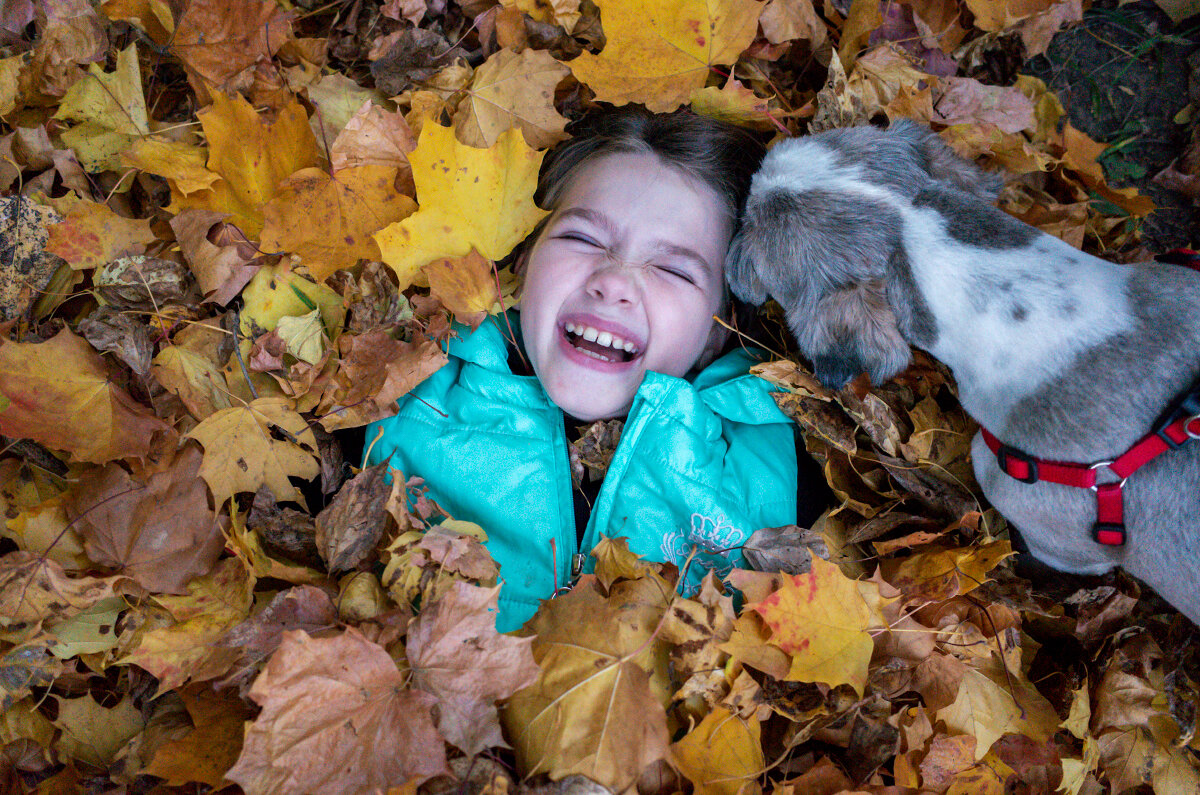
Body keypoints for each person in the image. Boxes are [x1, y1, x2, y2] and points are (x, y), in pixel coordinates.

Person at [364, 106, 828, 631]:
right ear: (522, 261)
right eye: (582, 239)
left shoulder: (776, 465)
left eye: (673, 269)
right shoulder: (406, 391)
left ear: (720, 329)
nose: (615, 281)